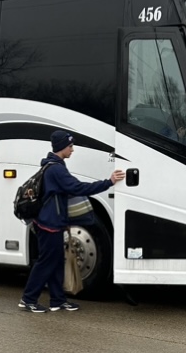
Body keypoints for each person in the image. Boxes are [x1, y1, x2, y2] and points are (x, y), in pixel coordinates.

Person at [19, 130, 125, 313]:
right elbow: (77, 187)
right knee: (46, 262)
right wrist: (108, 182)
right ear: (62, 147)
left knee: (56, 261)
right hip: (48, 225)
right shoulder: (56, 169)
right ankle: (28, 299)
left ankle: (57, 300)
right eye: (70, 146)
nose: (72, 150)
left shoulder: (54, 166)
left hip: (53, 222)